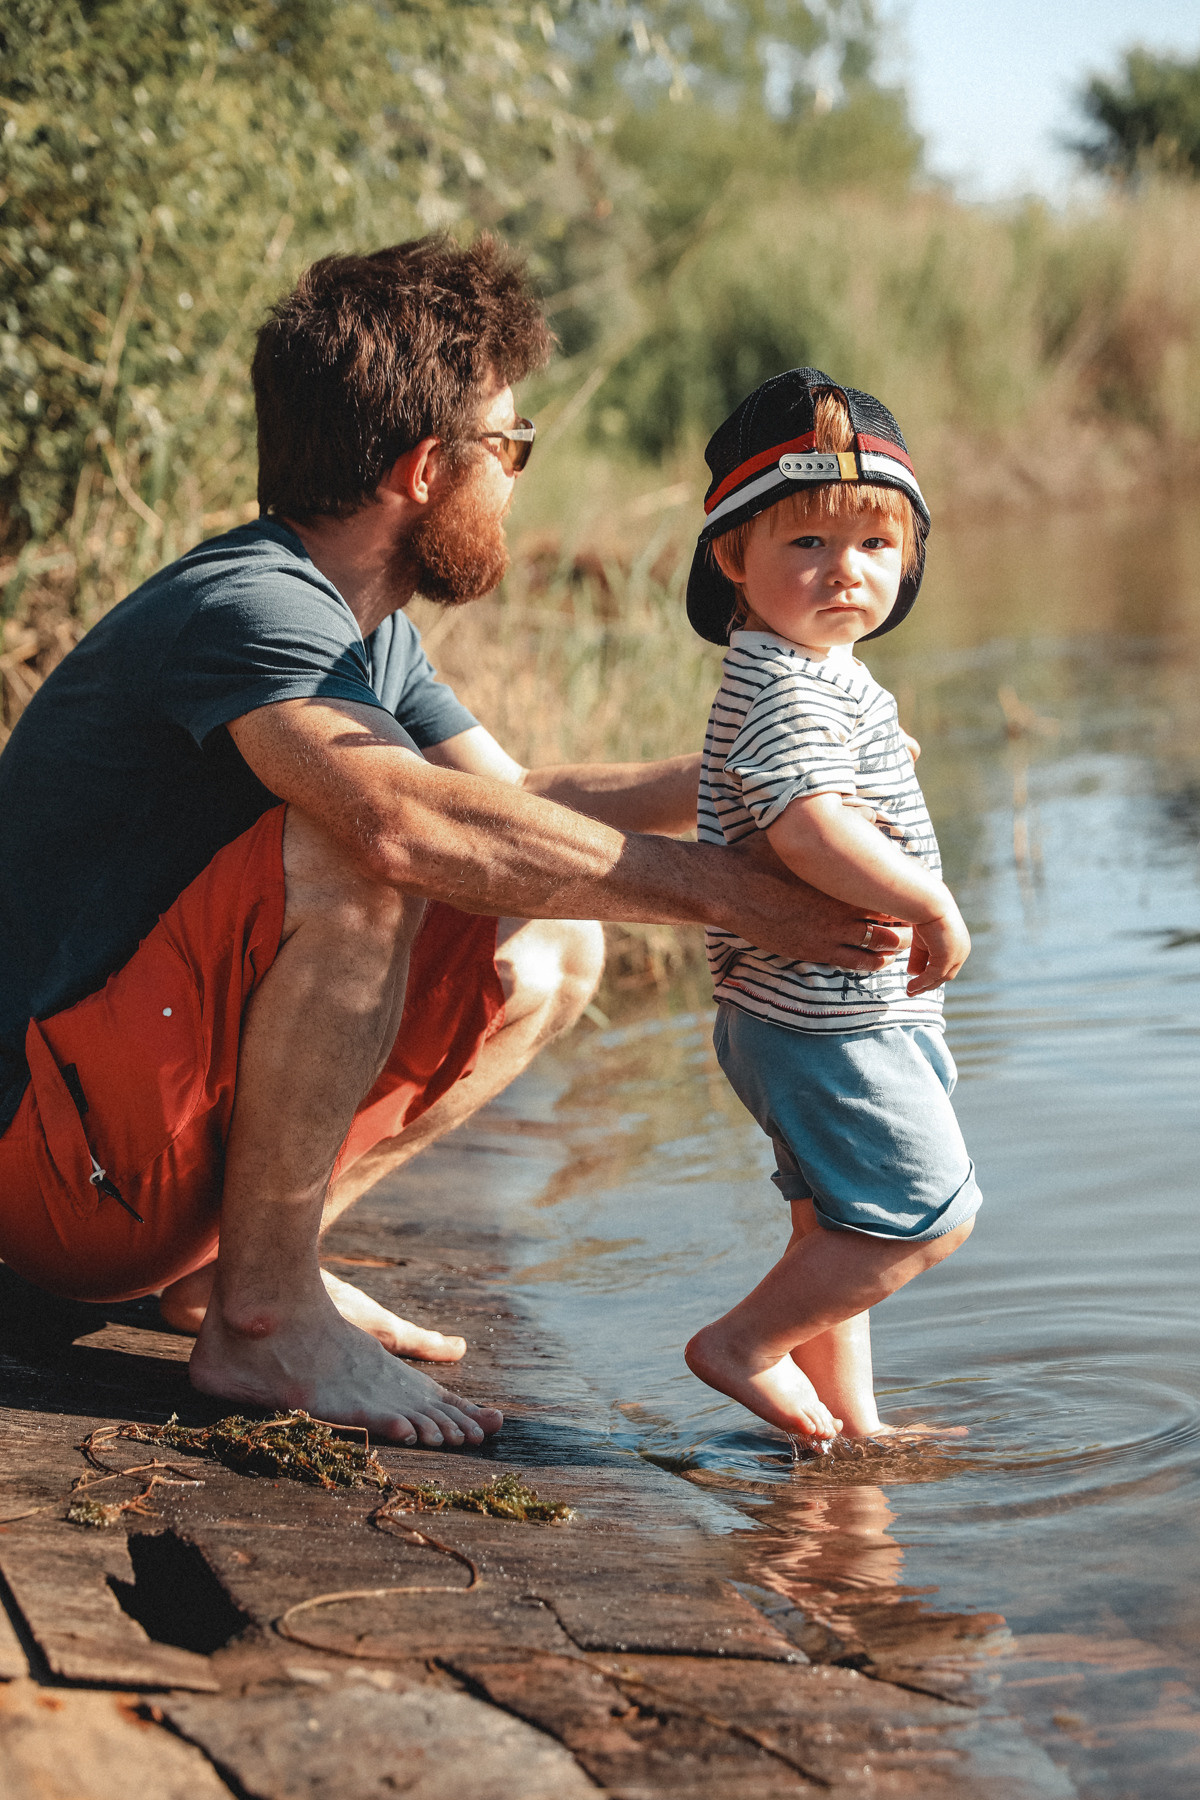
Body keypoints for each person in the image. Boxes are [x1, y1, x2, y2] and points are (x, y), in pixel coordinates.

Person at [0, 242, 902, 1448]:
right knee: (367, 850)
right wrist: (738, 898)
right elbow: (402, 820)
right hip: (52, 1172)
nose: (519, 478)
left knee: (552, 943)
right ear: (429, 469)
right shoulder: (252, 606)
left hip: (130, 1158)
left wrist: (753, 784)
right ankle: (266, 1319)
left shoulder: (362, 631)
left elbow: (512, 799)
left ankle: (243, 1272)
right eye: (512, 447)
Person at [682, 367, 981, 1444]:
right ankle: (741, 1346)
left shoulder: (814, 672)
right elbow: (806, 823)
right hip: (828, 1018)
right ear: (734, 560)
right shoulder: (786, 682)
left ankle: (844, 1428)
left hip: (808, 1010)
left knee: (837, 1226)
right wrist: (932, 904)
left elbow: (811, 793)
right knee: (922, 1217)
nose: (843, 571)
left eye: (873, 546)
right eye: (805, 544)